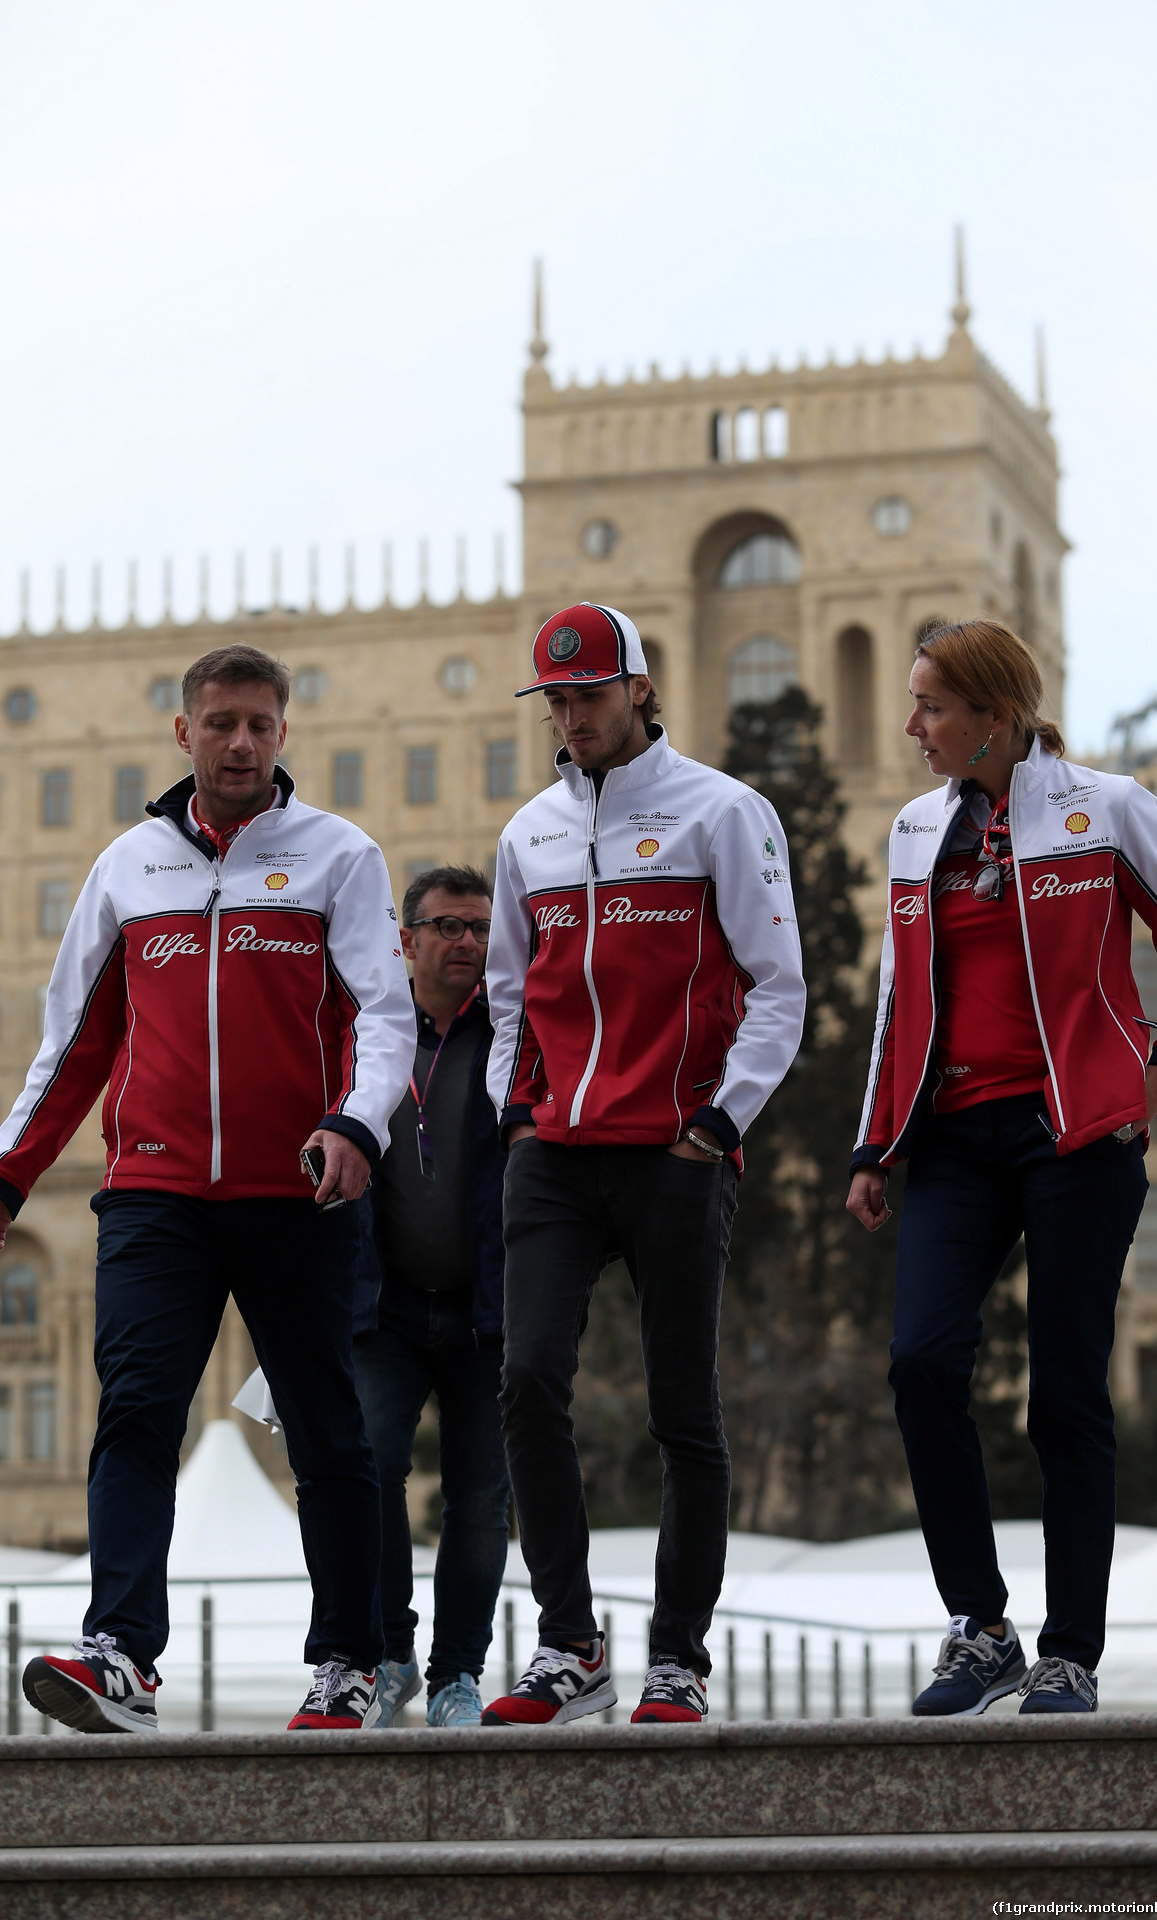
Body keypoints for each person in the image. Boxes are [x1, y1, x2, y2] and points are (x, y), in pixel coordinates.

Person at [0, 643, 416, 1735]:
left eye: (260, 723)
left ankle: (346, 1660)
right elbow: (71, 1045)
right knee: (138, 1410)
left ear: (283, 733)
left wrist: (355, 1123)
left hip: (294, 1192)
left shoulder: (339, 858)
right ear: (184, 734)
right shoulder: (127, 867)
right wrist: (3, 1178)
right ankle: (121, 1656)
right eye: (221, 723)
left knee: (326, 1432)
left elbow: (385, 1017)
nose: (241, 742)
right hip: (153, 1193)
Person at [847, 618, 1157, 1716]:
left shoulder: (1105, 808)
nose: (910, 724)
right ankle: (979, 1628)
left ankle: (1068, 1651)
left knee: (1064, 1391)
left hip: (1075, 1133)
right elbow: (895, 998)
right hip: (955, 1139)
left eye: (928, 705)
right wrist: (876, 1141)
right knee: (921, 1362)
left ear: (992, 718)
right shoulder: (914, 828)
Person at [480, 601, 807, 1727]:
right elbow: (507, 993)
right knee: (525, 1384)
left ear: (638, 688)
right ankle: (568, 1646)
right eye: (555, 700)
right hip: (555, 1157)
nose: (572, 717)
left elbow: (778, 985)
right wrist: (514, 1117)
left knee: (683, 1411)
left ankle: (677, 1659)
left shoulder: (725, 811)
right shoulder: (526, 831)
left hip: (675, 1151)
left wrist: (717, 1125)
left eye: (589, 694)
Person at [350, 864, 510, 1729]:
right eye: (448, 927)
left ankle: (457, 1675)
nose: (468, 944)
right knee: (367, 1469)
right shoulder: (366, 1036)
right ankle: (389, 1655)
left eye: (482, 928)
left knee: (480, 1498)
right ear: (405, 942)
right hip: (385, 1306)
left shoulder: (514, 1035)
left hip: (489, 1308)